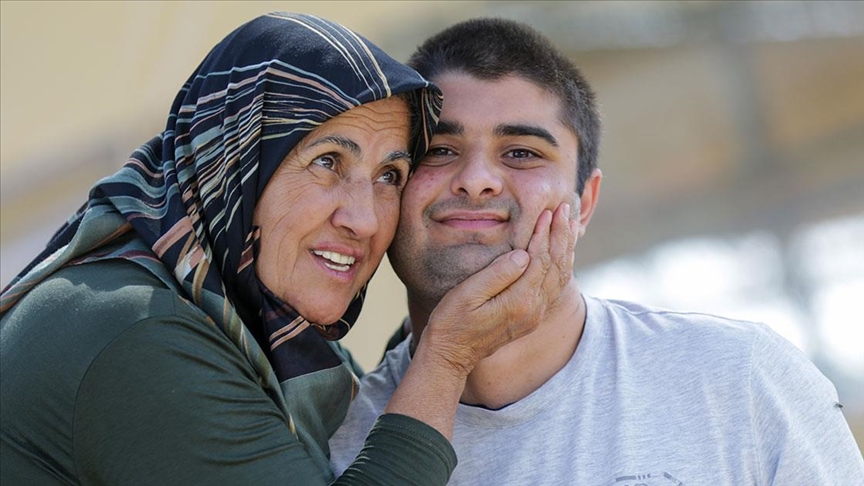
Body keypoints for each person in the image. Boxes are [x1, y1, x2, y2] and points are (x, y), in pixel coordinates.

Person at [0, 13, 576, 485]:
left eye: (390, 176)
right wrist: (446, 356)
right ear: (233, 166)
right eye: (327, 162)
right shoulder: (139, 332)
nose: (364, 218)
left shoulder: (245, 324)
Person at [329, 17, 864, 484]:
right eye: (440, 150)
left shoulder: (740, 379)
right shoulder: (331, 443)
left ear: (584, 203)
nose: (476, 181)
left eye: (521, 153)